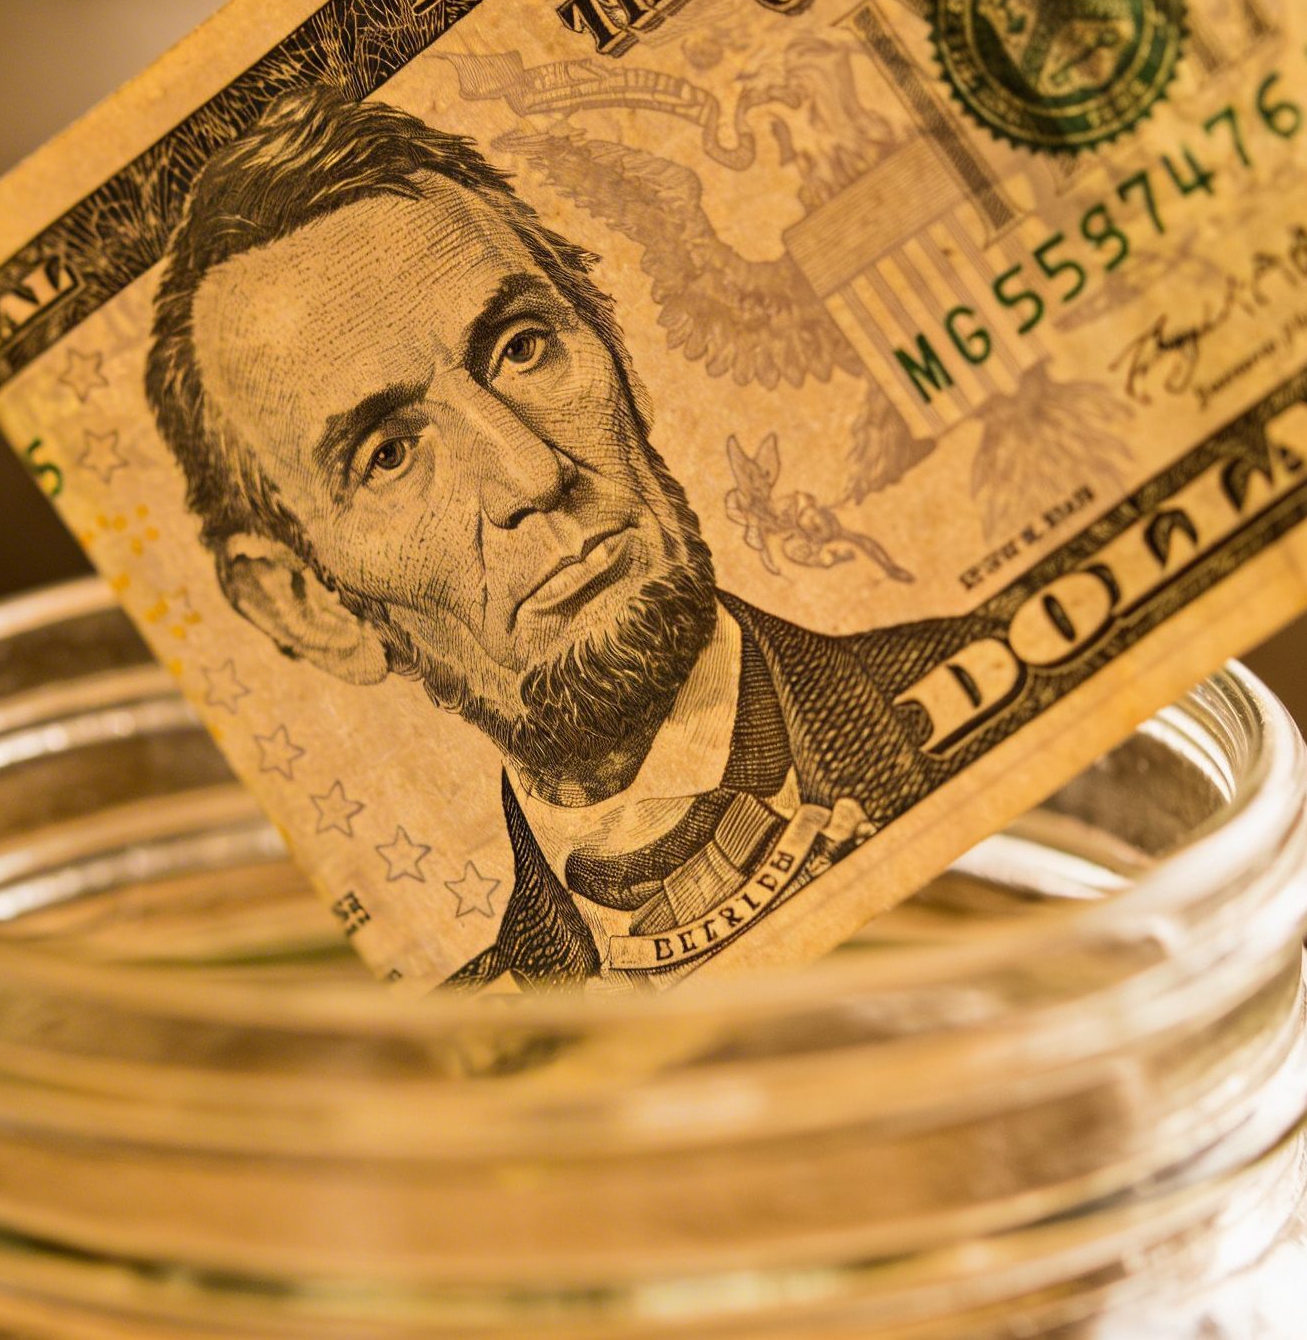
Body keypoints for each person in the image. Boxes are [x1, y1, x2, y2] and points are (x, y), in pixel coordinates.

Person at [142, 85, 984, 990]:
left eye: (521, 348)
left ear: (616, 353)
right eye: (389, 455)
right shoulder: (483, 1026)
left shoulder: (1013, 715)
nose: (531, 474)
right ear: (308, 608)